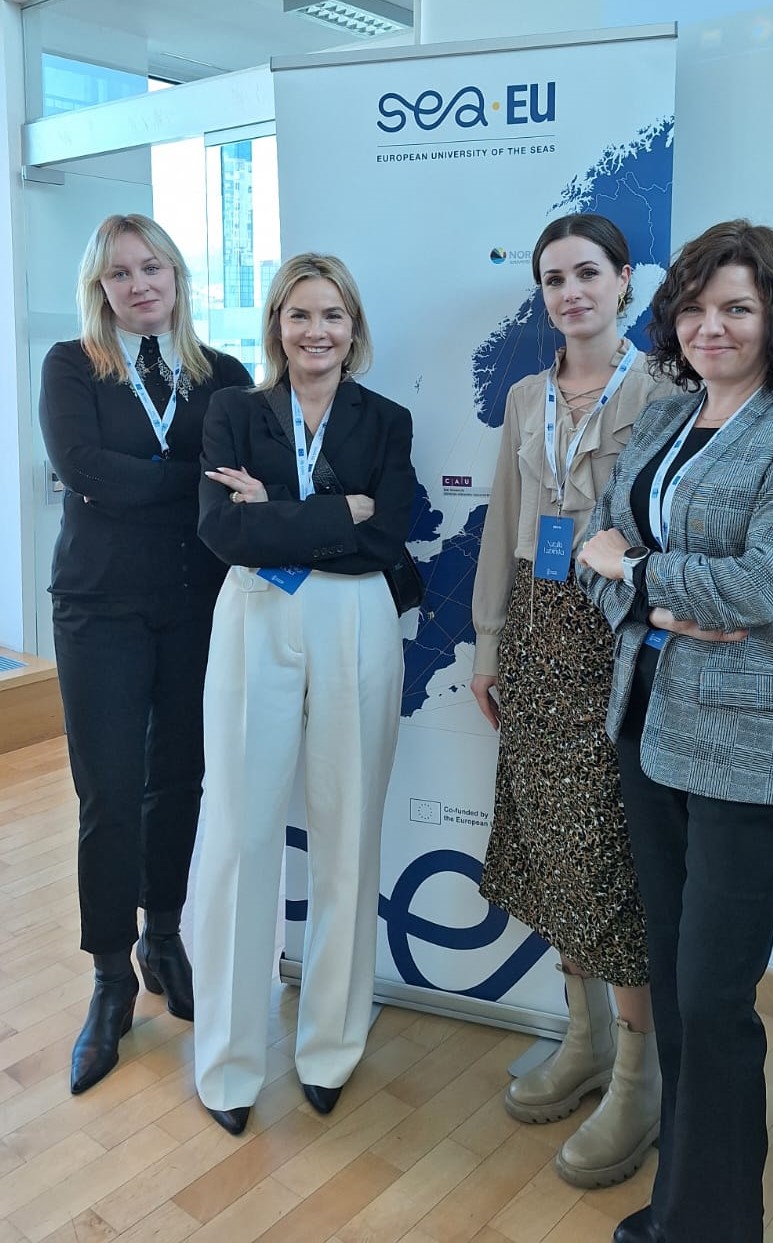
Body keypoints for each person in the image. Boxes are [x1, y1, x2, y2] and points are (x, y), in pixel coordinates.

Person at [577, 220, 773, 1243]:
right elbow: (592, 547)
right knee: (673, 977)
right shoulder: (664, 417)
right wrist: (653, 593)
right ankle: (686, 1208)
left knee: (711, 999)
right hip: (646, 723)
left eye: (736, 306)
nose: (712, 327)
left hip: (752, 748)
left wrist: (638, 572)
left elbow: (760, 583)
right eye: (694, 308)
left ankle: (710, 1225)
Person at [470, 213, 677, 1189]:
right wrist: (488, 641)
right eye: (553, 278)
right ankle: (583, 1037)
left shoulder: (668, 391)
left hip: (615, 637)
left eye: (587, 273)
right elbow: (505, 523)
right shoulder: (525, 397)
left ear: (624, 279)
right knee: (550, 841)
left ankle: (639, 1074)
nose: (569, 292)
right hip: (533, 636)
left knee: (609, 855)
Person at [192, 253, 415, 1137]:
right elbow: (222, 531)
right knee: (239, 833)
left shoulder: (386, 419)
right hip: (255, 613)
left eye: (332, 315)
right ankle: (228, 1060)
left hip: (357, 618)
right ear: (276, 326)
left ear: (353, 328)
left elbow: (388, 535)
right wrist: (336, 510)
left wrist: (275, 512)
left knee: (346, 832)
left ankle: (330, 1046)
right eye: (299, 315)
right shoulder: (233, 411)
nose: (315, 331)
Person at [39, 213, 251, 1096]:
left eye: (153, 267)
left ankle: (163, 937)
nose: (140, 285)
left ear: (177, 276)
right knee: (109, 791)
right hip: (99, 606)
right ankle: (109, 976)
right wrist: (189, 480)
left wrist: (149, 485)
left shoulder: (222, 374)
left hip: (194, 603)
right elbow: (84, 468)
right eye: (121, 273)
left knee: (180, 779)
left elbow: (232, 478)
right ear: (101, 287)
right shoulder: (71, 365)